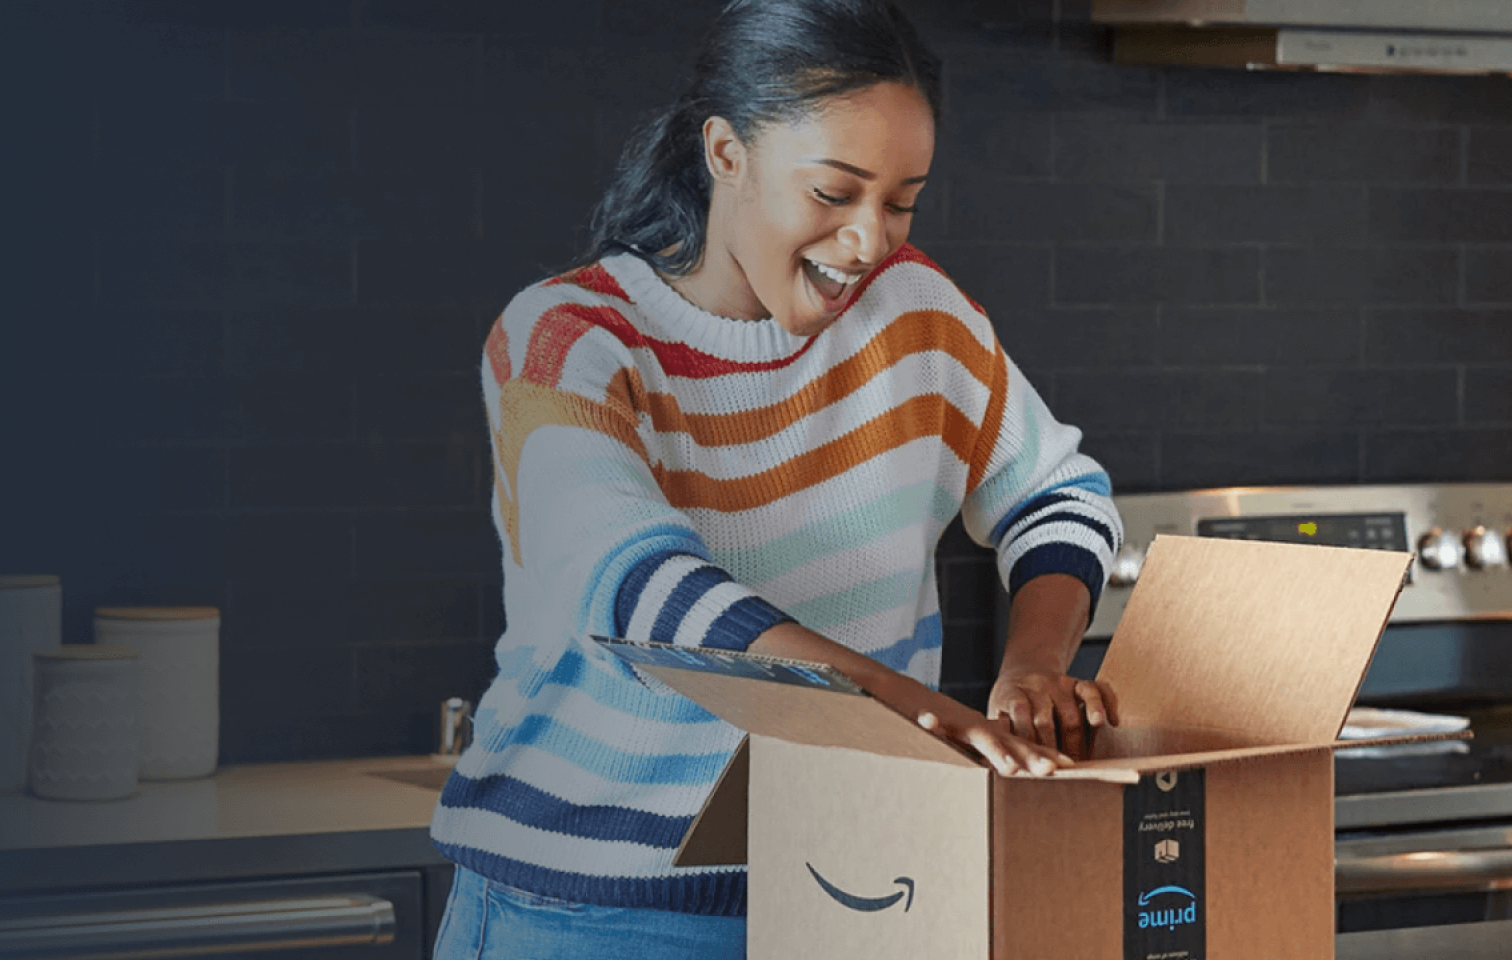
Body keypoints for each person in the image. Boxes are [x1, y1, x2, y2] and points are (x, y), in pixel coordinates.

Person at [428, 1, 1125, 956]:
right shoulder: (568, 341)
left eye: (901, 200)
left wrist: (1035, 662)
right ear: (726, 152)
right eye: (834, 194)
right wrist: (915, 715)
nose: (870, 240)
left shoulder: (917, 314)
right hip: (589, 909)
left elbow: (1057, 492)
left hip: (858, 885)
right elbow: (640, 592)